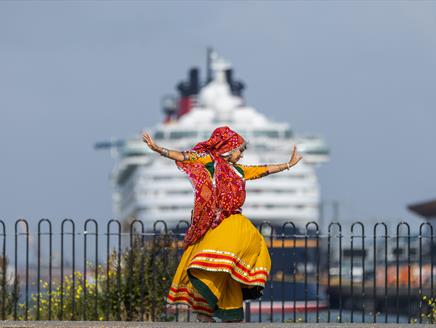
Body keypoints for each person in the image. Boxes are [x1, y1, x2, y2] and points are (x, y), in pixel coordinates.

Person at [142, 126, 303, 322]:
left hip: (235, 224)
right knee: (214, 266)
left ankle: (228, 312)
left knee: (229, 267)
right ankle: (205, 312)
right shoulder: (210, 161)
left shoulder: (240, 170)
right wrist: (159, 149)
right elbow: (184, 157)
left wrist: (288, 164)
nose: (242, 156)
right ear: (229, 148)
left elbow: (264, 170)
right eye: (240, 151)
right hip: (218, 225)